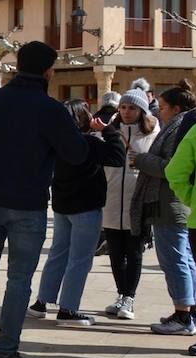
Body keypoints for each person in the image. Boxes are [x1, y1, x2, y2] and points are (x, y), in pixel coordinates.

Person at [0, 41, 89, 358]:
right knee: (18, 281)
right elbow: (76, 154)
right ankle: (6, 353)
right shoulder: (49, 109)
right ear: (48, 71)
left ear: (18, 65)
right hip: (28, 204)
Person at [27, 100, 125, 327]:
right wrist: (108, 130)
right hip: (86, 207)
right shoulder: (88, 142)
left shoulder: (57, 143)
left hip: (63, 205)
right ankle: (68, 309)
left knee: (58, 253)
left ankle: (42, 302)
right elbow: (117, 157)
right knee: (80, 260)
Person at [140, 84, 196, 332]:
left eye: (162, 108)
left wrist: (141, 158)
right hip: (181, 205)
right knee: (185, 260)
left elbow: (172, 169)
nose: (158, 112)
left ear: (176, 109)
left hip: (172, 204)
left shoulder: (184, 128)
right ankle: (189, 312)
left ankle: (183, 315)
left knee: (175, 260)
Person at [100, 90, 159, 320]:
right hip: (111, 200)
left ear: (142, 110)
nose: (126, 112)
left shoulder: (153, 133)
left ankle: (129, 297)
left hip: (138, 202)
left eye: (132, 108)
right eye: (123, 107)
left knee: (134, 252)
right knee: (115, 252)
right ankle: (120, 295)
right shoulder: (109, 131)